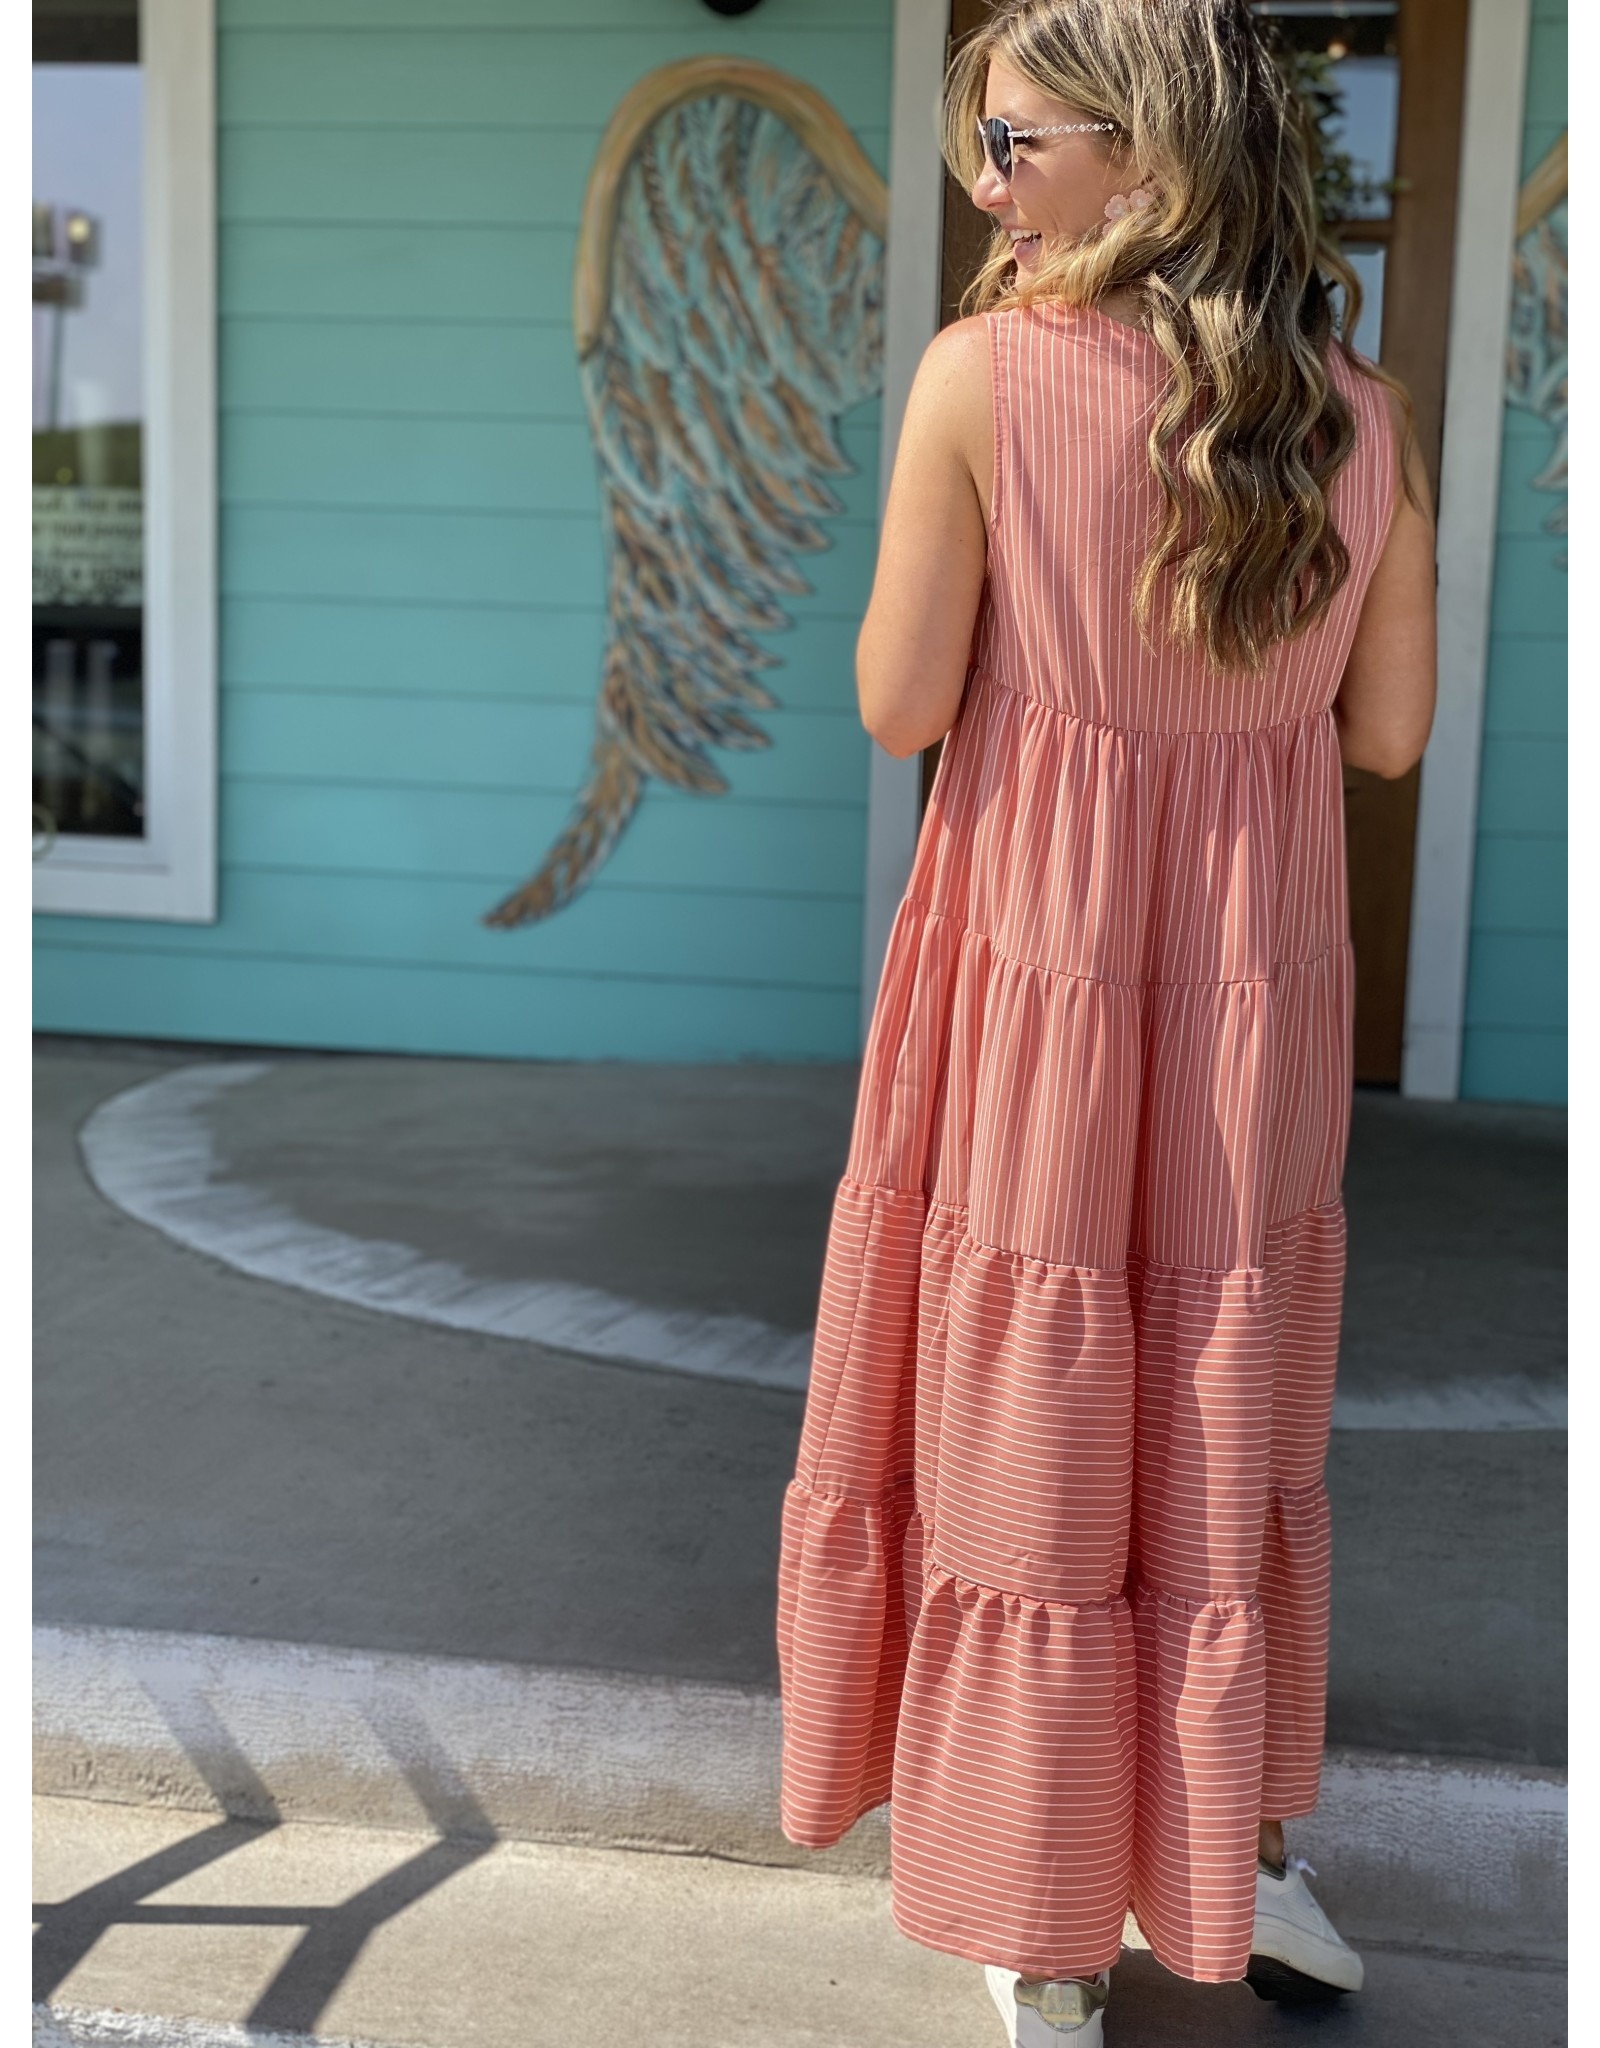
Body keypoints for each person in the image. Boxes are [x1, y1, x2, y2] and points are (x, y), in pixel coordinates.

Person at [773, 1, 1438, 2041]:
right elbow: (1388, 736)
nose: (983, 183)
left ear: (1144, 167)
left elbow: (897, 704)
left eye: (1012, 142)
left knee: (1030, 1404)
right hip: (1256, 972)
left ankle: (1039, 1920)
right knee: (1208, 1402)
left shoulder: (980, 380)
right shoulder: (1357, 411)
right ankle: (1216, 1859)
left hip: (1038, 958)